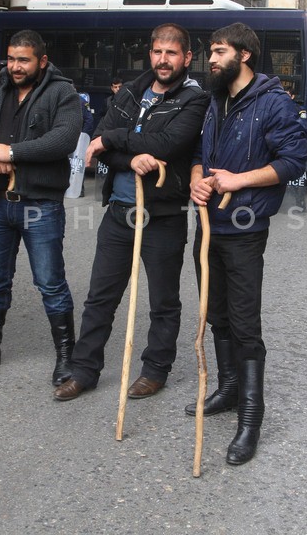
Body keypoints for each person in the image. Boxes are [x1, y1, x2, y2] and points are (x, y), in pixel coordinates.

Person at [53, 23, 207, 402]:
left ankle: (155, 369)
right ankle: (84, 370)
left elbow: (169, 144)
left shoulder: (193, 99)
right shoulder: (131, 93)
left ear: (186, 57)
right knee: (100, 297)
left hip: (163, 215)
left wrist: (117, 139)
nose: (163, 59)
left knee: (163, 301)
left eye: (172, 53)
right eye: (157, 51)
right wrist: (132, 154)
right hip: (119, 213)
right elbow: (104, 142)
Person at [187, 23, 307, 466]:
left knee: (243, 321)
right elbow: (200, 154)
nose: (211, 60)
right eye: (211, 52)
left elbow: (294, 160)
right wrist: (198, 181)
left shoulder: (274, 103)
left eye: (218, 52)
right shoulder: (215, 99)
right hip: (207, 224)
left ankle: (252, 416)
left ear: (244, 56)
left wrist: (239, 180)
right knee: (214, 311)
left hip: (244, 227)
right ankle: (229, 388)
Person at [0, 29, 81, 383]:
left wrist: (11, 153)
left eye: (23, 59)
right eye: (10, 59)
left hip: (40, 204)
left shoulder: (62, 92)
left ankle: (66, 355)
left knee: (50, 282)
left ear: (42, 60)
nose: (15, 66)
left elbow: (64, 139)